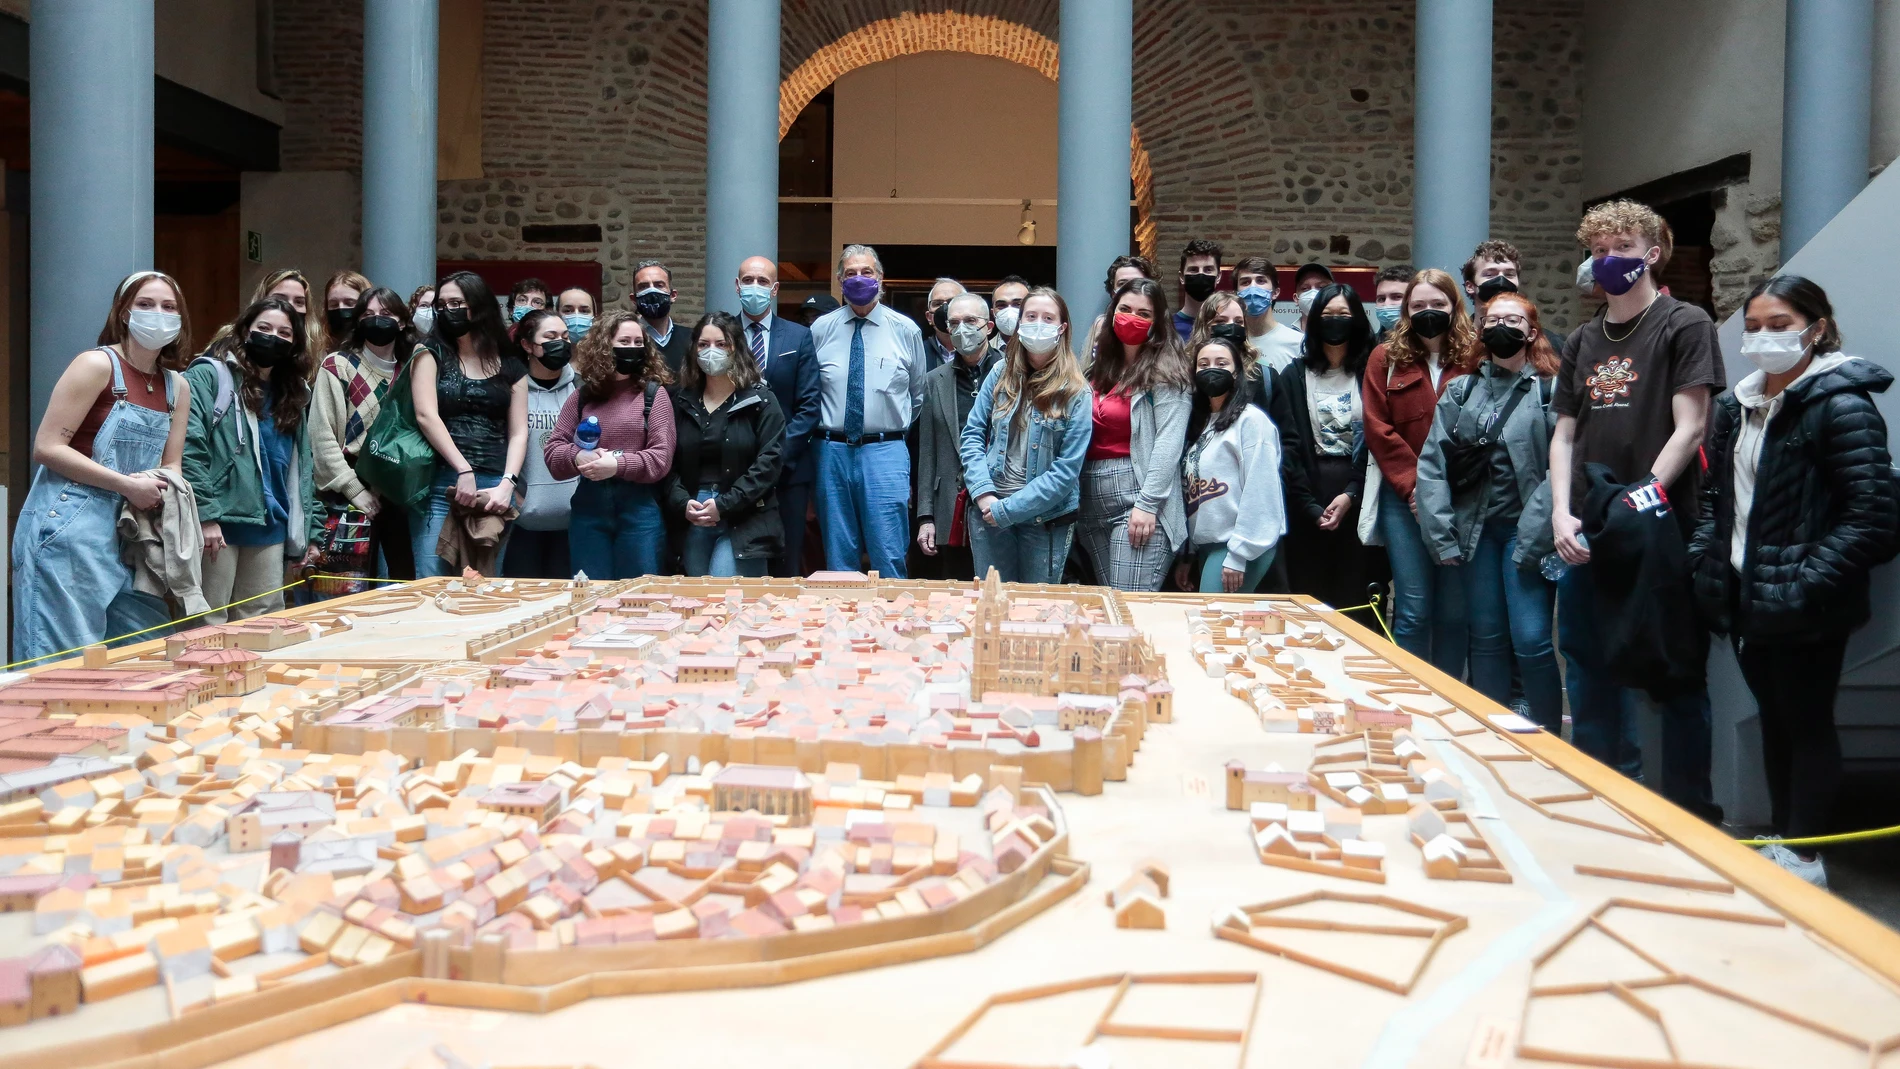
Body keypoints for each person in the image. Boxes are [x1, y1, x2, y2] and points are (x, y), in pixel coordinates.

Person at [1691, 276, 1897, 886]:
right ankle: (1785, 838)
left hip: (1807, 602)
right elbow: (1716, 499)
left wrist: (1805, 582)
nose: (1763, 337)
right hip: (1747, 593)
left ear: (1818, 328)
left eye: (1780, 324)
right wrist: (1707, 558)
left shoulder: (1842, 404)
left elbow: (1874, 519)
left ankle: (1807, 856)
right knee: (1774, 720)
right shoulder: (1737, 406)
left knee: (1806, 722)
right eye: (1753, 326)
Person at [1548, 199, 1723, 819]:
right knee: (1590, 665)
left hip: (1658, 527)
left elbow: (1692, 426)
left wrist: (1643, 495)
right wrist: (1561, 515)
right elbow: (1565, 433)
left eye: (1619, 246)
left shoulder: (1684, 322)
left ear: (1650, 253)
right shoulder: (1582, 338)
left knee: (1672, 675)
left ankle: (1690, 817)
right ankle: (1600, 800)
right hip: (1589, 526)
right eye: (1597, 250)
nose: (1606, 259)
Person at [12, 271, 193, 662]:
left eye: (169, 307)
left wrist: (162, 482)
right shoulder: (97, 365)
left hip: (133, 535)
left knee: (144, 654)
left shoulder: (178, 386)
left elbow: (173, 462)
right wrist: (126, 485)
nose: (158, 314)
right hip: (70, 525)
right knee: (64, 662)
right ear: (124, 313)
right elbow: (47, 447)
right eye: (146, 304)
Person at [1415, 292, 1562, 729]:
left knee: (1533, 640)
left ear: (1531, 332)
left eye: (1512, 320)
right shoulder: (1462, 391)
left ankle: (1550, 736)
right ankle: (1492, 733)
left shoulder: (1550, 390)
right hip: (1475, 533)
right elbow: (1432, 464)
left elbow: (1563, 465)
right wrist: (1441, 535)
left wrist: (1538, 534)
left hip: (1528, 531)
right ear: (1479, 330)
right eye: (1491, 319)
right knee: (1487, 639)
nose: (1501, 326)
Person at [1363, 267, 1475, 673]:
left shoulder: (1476, 356)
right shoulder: (1384, 358)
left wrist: (1439, 494)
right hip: (1403, 501)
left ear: (1454, 306)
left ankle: (1449, 697)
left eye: (1438, 304)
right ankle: (1413, 698)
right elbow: (1378, 428)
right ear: (1408, 310)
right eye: (1419, 305)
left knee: (1453, 611)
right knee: (1413, 609)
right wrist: (1416, 491)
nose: (1429, 311)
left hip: (1462, 500)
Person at [183, 295, 321, 623]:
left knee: (264, 626)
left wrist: (310, 532)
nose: (273, 337)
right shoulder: (209, 375)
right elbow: (189, 448)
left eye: (285, 333)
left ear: (295, 344)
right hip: (220, 525)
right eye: (264, 327)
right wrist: (206, 516)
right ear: (245, 330)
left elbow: (302, 469)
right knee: (207, 626)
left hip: (271, 528)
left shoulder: (295, 392)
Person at [959, 287, 1092, 584]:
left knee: (1035, 610)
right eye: (1031, 316)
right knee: (993, 607)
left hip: (1045, 519)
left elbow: (1066, 471)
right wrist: (984, 495)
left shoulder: (1077, 391)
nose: (1038, 323)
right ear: (1019, 324)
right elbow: (972, 435)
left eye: (1048, 318)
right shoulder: (999, 373)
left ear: (1062, 328)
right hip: (988, 510)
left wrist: (1008, 510)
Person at [810, 244, 925, 578]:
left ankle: (894, 625)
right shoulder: (821, 330)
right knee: (838, 557)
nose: (858, 279)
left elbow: (916, 396)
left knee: (889, 554)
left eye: (866, 272)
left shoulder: (906, 330)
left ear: (881, 278)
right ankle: (842, 628)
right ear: (839, 281)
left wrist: (887, 427)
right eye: (850, 273)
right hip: (830, 450)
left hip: (885, 450)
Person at [409, 272, 530, 577]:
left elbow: (518, 431)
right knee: (432, 582)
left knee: (487, 587)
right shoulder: (430, 352)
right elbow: (426, 415)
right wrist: (463, 469)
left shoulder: (511, 362)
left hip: (494, 489)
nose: (447, 310)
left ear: (478, 306)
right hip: (441, 483)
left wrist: (508, 483)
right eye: (442, 304)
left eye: (456, 303)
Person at [1077, 277, 1191, 591]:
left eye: (1144, 313)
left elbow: (1169, 442)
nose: (1132, 317)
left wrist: (1148, 504)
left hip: (1137, 498)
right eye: (1125, 309)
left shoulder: (1167, 372)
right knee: (1112, 606)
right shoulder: (1095, 371)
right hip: (1091, 502)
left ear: (1157, 323)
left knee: (1130, 606)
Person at [544, 311, 675, 580]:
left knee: (639, 596)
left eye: (638, 343)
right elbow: (554, 451)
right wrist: (578, 455)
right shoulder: (582, 396)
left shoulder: (653, 395)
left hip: (639, 512)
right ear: (605, 346)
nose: (632, 349)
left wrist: (616, 464)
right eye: (624, 342)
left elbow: (661, 458)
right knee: (589, 594)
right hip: (589, 512)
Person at [1271, 283, 1373, 622]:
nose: (1335, 322)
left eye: (1344, 315)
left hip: (1360, 499)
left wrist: (1351, 494)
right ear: (1314, 321)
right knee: (1308, 604)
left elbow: (1377, 441)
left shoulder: (1372, 372)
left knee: (1354, 601)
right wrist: (1310, 505)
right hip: (1305, 500)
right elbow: (1287, 446)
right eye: (1328, 315)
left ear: (1357, 320)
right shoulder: (1293, 375)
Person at [310, 286, 418, 586]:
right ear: (358, 322)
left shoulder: (413, 369)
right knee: (346, 591)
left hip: (399, 495)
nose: (377, 320)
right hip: (349, 495)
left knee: (403, 588)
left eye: (385, 314)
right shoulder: (337, 365)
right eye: (368, 314)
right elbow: (322, 438)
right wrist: (354, 490)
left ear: (402, 321)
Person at [664, 313, 785, 577]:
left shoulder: (761, 401)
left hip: (745, 515)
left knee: (727, 595)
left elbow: (769, 463)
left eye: (721, 344)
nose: (712, 351)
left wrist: (725, 504)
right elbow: (665, 460)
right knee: (697, 600)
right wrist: (682, 502)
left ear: (736, 349)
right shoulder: (680, 401)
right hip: (693, 514)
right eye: (704, 344)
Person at [735, 256, 823, 578]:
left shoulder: (799, 336)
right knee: (743, 562)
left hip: (788, 472)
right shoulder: (723, 334)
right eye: (748, 280)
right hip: (736, 470)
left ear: (774, 289)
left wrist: (776, 457)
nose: (754, 287)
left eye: (762, 281)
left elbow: (810, 406)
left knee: (788, 561)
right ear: (737, 285)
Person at [1176, 336, 1284, 593]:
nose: (1211, 369)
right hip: (1208, 545)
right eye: (1203, 364)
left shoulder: (1252, 422)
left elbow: (1261, 491)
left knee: (1209, 624)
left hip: (1239, 546)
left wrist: (1239, 554)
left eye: (1221, 363)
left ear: (1237, 373)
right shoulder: (1201, 424)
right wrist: (1189, 555)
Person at [916, 293, 1001, 581]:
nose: (962, 328)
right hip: (951, 505)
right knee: (957, 594)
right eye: (954, 322)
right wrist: (925, 517)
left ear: (989, 326)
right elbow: (928, 453)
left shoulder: (1013, 372)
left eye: (970, 321)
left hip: (1002, 499)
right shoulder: (934, 380)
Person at [502, 309, 578, 579]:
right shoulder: (510, 388)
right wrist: (515, 499)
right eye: (551, 336)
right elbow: (503, 444)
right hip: (522, 522)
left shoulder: (581, 387)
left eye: (565, 336)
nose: (561, 342)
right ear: (527, 345)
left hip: (574, 522)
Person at [1463, 239, 1565, 353]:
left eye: (1509, 274)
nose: (1501, 280)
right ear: (1470, 286)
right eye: (1490, 274)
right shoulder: (1456, 341)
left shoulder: (1550, 343)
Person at [1231, 256, 1304, 373]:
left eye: (1260, 281)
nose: (1253, 287)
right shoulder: (1229, 341)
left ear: (1275, 293)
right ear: (1236, 294)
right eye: (1245, 282)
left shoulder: (1298, 343)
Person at [1085, 256, 1159, 359]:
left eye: (1137, 282)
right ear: (1113, 292)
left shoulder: (1159, 329)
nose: (1130, 289)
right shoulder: (1100, 326)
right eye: (1122, 284)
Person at [634, 259, 690, 374]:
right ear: (633, 299)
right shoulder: (629, 343)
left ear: (673, 295)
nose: (652, 291)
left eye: (659, 285)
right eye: (643, 287)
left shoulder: (692, 339)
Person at [1174, 239, 1224, 340]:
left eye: (1208, 270)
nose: (1201, 274)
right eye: (1193, 270)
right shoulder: (1168, 328)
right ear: (1182, 277)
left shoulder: (1226, 327)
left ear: (1218, 277)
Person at [321, 270, 372, 358]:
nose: (341, 308)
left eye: (349, 303)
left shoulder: (378, 350)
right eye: (334, 304)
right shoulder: (318, 351)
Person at [921, 278, 965, 374]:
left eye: (951, 302)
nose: (945, 308)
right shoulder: (918, 353)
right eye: (938, 304)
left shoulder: (977, 351)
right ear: (929, 317)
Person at [989, 274, 1030, 355]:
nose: (1009, 311)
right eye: (1001, 305)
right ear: (993, 313)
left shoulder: (1044, 350)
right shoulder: (982, 353)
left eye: (1017, 304)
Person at [1373, 265, 1414, 340]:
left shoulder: (1430, 344)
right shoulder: (1369, 346)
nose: (1386, 304)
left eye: (1397, 297)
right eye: (1381, 299)